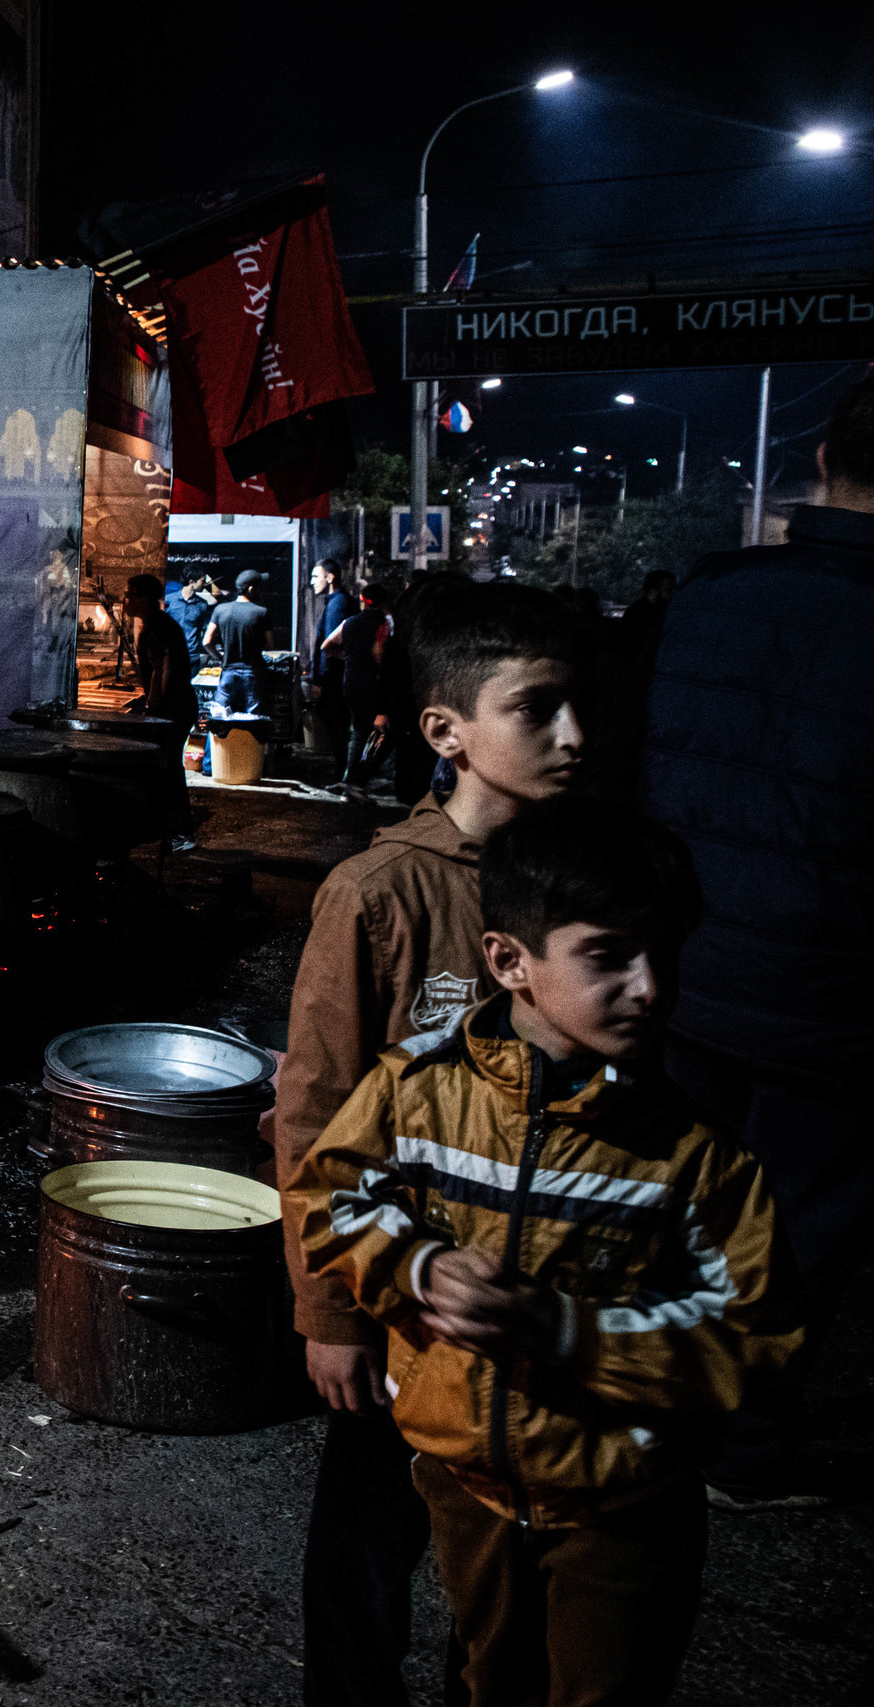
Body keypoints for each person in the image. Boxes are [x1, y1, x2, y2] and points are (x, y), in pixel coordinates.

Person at [294, 797, 795, 1707]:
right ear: (508, 961)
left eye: (664, 955)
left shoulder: (693, 1155)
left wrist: (564, 1329)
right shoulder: (418, 1089)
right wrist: (420, 1267)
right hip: (464, 1483)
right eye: (608, 956)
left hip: (619, 1504)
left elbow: (754, 1338)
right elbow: (330, 1201)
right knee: (490, 1679)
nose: (649, 987)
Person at [276, 580, 590, 1707]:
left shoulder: (574, 887)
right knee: (366, 1551)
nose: (572, 737)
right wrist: (329, 1314)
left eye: (576, 707)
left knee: (512, 1571)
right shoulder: (381, 894)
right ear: (446, 732)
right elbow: (312, 1116)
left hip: (535, 1298)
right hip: (403, 1296)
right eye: (537, 709)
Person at [638, 374, 874, 1511]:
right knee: (795, 1233)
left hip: (685, 970)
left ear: (825, 459)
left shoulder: (712, 596)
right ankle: (735, 1452)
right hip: (830, 1000)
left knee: (678, 1203)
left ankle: (645, 1404)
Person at [121, 573, 197, 847]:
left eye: (129, 594)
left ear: (143, 598)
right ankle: (167, 828)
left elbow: (161, 671)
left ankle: (181, 833)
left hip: (174, 709)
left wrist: (152, 706)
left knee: (169, 768)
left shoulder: (156, 628)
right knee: (165, 767)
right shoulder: (155, 623)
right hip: (176, 705)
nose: (125, 600)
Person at [325, 583, 393, 792]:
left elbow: (327, 646)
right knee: (384, 732)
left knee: (357, 731)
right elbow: (380, 655)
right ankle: (361, 778)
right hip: (375, 684)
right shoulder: (387, 624)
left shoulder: (349, 623)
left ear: (363, 600)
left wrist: (348, 657)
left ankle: (350, 779)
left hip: (351, 683)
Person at [202, 568, 274, 713]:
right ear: (251, 588)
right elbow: (270, 645)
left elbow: (206, 642)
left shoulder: (220, 610)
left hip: (228, 672)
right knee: (254, 719)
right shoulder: (262, 612)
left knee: (220, 718)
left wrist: (220, 657)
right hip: (253, 673)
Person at [303, 559, 353, 758]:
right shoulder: (335, 603)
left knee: (337, 728)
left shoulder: (337, 605)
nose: (311, 581)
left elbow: (331, 647)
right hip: (335, 678)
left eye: (316, 576)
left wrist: (322, 681)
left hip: (334, 681)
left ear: (330, 578)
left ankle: (344, 776)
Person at [616, 568, 675, 659]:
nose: (672, 595)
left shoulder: (657, 611)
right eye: (668, 590)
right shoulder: (639, 614)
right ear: (653, 590)